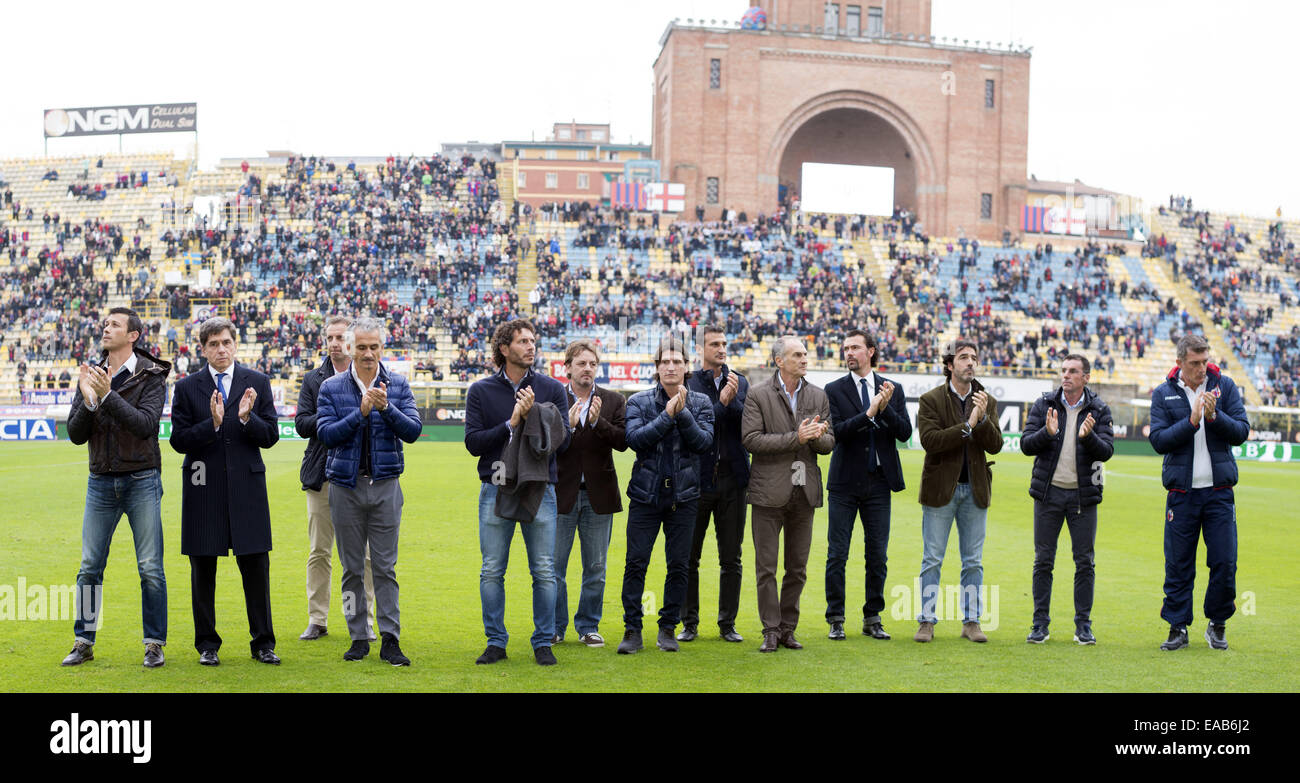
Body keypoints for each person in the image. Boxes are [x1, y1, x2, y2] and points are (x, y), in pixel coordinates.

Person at [62, 308, 171, 668]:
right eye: (105, 324)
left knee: (150, 567)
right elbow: (76, 435)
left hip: (141, 480)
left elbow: (145, 425)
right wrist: (90, 400)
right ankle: (83, 640)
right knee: (90, 566)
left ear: (134, 336)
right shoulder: (92, 373)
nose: (106, 329)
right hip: (100, 483)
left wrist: (107, 396)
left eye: (115, 325)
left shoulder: (152, 375)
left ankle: (154, 643)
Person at [169, 316, 281, 666]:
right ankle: (207, 644)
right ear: (203, 349)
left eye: (227, 342)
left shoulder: (257, 382)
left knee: (256, 568)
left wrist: (247, 419)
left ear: (235, 344)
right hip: (203, 488)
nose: (221, 349)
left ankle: (263, 643)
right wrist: (213, 424)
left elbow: (271, 436)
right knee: (203, 569)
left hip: (247, 489)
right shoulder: (187, 388)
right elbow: (178, 440)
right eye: (214, 343)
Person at [315, 317, 422, 665]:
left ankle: (390, 638)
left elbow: (413, 431)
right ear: (349, 348)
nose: (367, 353)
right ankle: (358, 635)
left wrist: (386, 408)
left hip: (386, 487)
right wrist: (360, 413)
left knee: (385, 568)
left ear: (381, 348)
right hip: (345, 489)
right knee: (350, 569)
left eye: (373, 347)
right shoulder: (331, 388)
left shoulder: (399, 384)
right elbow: (326, 435)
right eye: (361, 347)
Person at [464, 319, 571, 666]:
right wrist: (512, 422)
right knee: (492, 569)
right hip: (495, 484)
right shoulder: (480, 391)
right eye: (523, 341)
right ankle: (496, 642)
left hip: (540, 487)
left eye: (532, 340)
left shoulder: (552, 389)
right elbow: (473, 443)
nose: (530, 346)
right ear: (505, 348)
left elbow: (563, 440)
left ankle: (543, 641)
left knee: (543, 569)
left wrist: (535, 415)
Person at [1149, 334, 1249, 651]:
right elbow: (1159, 440)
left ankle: (1217, 624)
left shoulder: (1226, 387)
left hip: (1219, 492)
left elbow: (1242, 432)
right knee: (1178, 565)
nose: (1202, 368)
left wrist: (1215, 417)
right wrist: (1192, 422)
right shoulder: (1163, 394)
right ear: (1180, 363)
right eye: (1195, 363)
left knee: (1225, 562)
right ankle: (1177, 628)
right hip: (1181, 493)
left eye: (1205, 361)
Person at [618, 337, 714, 654]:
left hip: (684, 498)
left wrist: (682, 413)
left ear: (687, 367)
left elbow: (703, 443)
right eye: (664, 362)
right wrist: (667, 415)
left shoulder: (700, 403)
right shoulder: (638, 401)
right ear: (657, 367)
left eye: (676, 361)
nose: (670, 366)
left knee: (679, 566)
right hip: (646, 496)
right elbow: (636, 440)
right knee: (636, 563)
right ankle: (632, 629)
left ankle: (668, 628)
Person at [742, 335, 833, 652]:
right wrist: (797, 437)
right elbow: (751, 440)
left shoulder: (819, 396)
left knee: (797, 568)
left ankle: (787, 629)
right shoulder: (757, 395)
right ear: (779, 361)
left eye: (806, 354)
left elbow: (828, 443)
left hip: (804, 493)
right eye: (797, 354)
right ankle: (769, 629)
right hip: (768, 494)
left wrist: (818, 437)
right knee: (766, 567)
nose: (804, 359)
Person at [1020, 354, 1114, 645]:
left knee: (1084, 562)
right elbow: (1026, 445)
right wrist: (1047, 434)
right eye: (1063, 370)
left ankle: (1083, 625)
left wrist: (1087, 437)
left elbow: (1106, 451)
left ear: (1086, 377)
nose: (1066, 375)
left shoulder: (1099, 409)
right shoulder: (1044, 404)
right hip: (1048, 495)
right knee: (1043, 561)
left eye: (1073, 371)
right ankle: (1039, 625)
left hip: (1082, 498)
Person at [824, 328, 910, 641]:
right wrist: (870, 412)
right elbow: (837, 433)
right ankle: (835, 617)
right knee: (837, 553)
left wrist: (885, 409)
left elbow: (904, 433)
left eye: (855, 347)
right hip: (845, 483)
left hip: (878, 483)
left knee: (877, 554)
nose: (848, 353)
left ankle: (872, 617)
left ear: (870, 351)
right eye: (845, 347)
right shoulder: (833, 389)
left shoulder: (892, 388)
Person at [294, 315, 377, 643]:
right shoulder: (314, 379)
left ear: (352, 341)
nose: (333, 343)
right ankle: (317, 619)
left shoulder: (370, 376)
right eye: (329, 337)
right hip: (323, 475)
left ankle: (364, 620)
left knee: (364, 555)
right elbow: (301, 424)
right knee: (319, 551)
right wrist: (340, 417)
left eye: (340, 337)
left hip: (360, 475)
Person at [914, 338, 1002, 644]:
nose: (970, 363)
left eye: (974, 357)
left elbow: (996, 445)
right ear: (950, 365)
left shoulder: (986, 399)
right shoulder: (931, 399)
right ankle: (926, 621)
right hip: (940, 491)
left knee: (973, 561)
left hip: (975, 490)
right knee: (932, 559)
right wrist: (969, 424)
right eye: (963, 357)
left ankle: (971, 622)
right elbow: (931, 441)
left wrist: (984, 419)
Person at [553, 339, 627, 647]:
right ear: (567, 367)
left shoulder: (612, 400)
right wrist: (567, 427)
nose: (587, 369)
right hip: (560, 494)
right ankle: (555, 627)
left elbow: (623, 441)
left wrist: (598, 422)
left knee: (595, 566)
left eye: (592, 364)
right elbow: (547, 445)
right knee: (553, 567)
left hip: (599, 494)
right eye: (581, 363)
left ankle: (588, 625)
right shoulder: (554, 398)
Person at [680, 325, 750, 643]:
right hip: (696, 480)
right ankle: (689, 623)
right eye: (714, 344)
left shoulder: (741, 382)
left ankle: (727, 624)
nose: (722, 348)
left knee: (731, 557)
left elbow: (747, 425)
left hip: (733, 481)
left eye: (724, 343)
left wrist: (732, 402)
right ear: (700, 349)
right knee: (688, 556)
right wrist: (723, 403)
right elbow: (697, 425)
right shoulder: (688, 382)